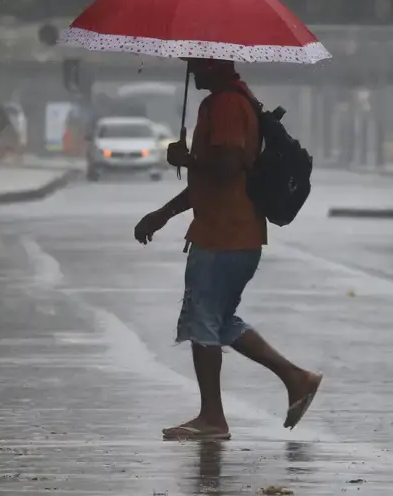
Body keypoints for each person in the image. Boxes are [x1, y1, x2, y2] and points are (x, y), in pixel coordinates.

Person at [134, 58, 322, 441]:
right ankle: (296, 378)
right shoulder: (229, 100)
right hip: (226, 231)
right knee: (218, 320)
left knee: (203, 320)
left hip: (226, 235)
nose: (192, 72)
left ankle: (212, 419)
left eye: (197, 64)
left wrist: (187, 158)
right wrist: (163, 213)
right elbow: (211, 182)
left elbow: (229, 164)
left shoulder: (227, 105)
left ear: (217, 63)